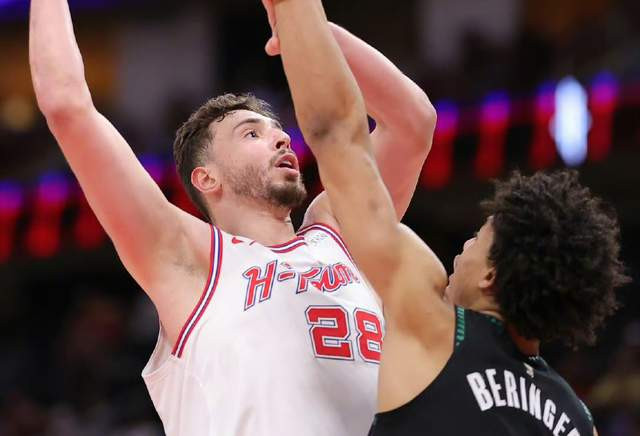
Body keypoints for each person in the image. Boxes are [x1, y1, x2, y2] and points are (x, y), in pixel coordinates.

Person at [29, 1, 437, 435]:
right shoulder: (188, 260)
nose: (281, 139)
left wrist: (305, 27)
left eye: (279, 132)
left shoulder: (341, 232)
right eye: (252, 134)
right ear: (207, 178)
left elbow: (412, 123)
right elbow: (66, 105)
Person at [269, 0, 629, 435]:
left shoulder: (435, 328)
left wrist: (296, 10)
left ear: (491, 276)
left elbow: (338, 135)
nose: (464, 246)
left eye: (478, 237)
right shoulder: (577, 419)